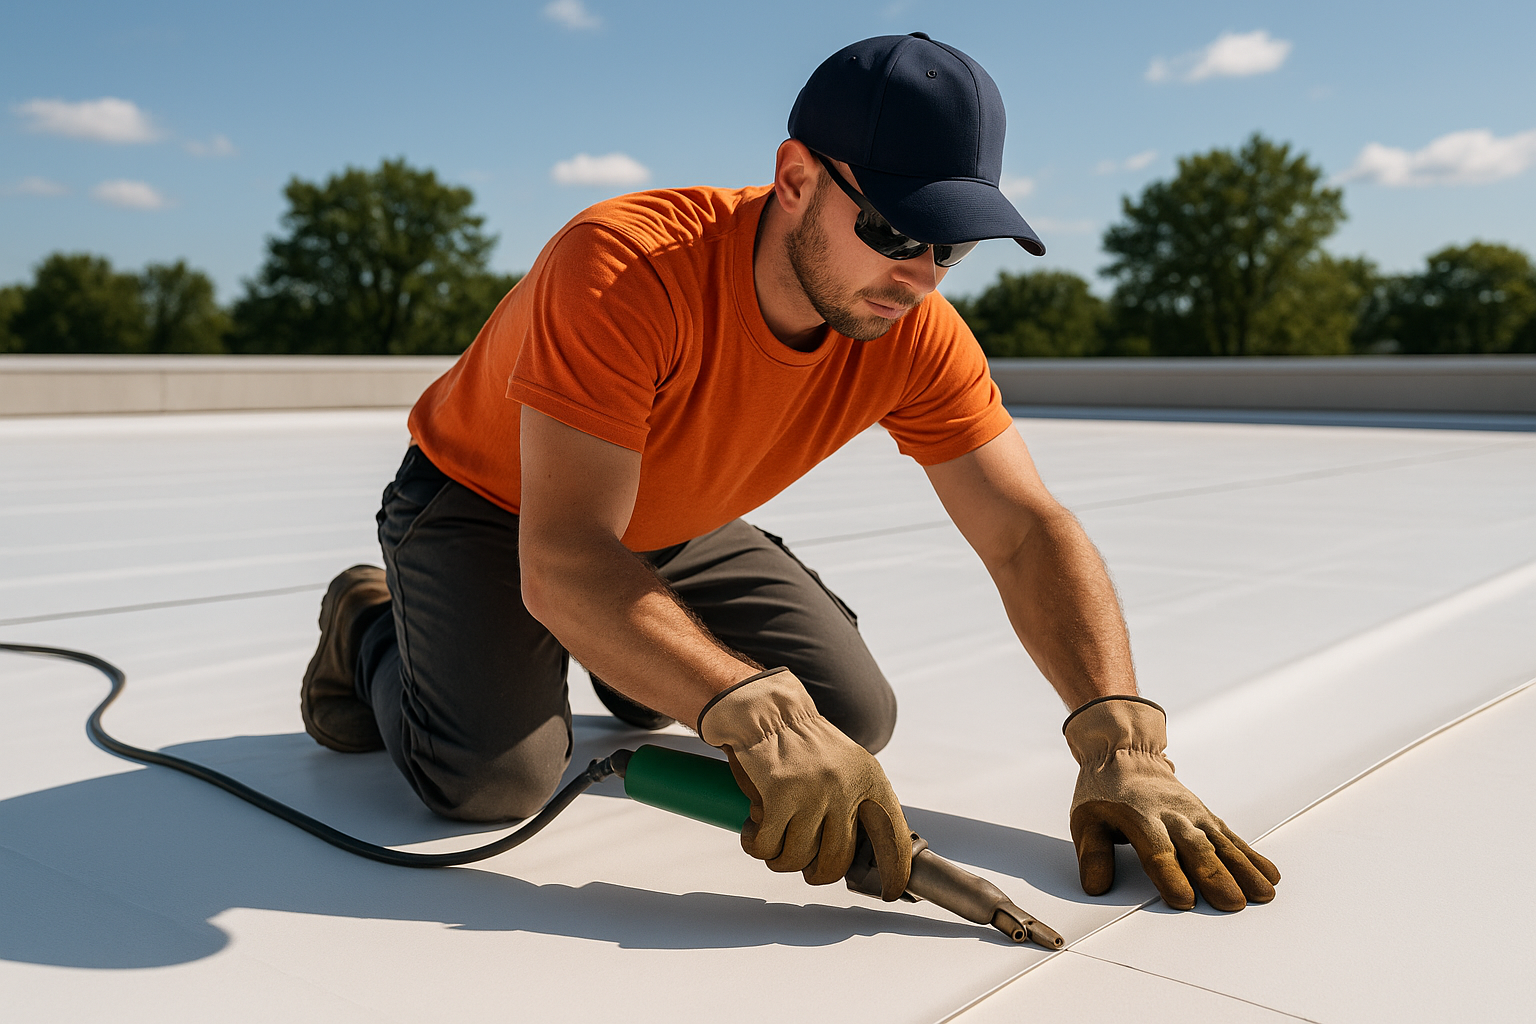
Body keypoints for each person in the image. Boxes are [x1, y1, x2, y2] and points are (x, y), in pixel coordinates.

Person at [300, 33, 1279, 912]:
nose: (921, 277)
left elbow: (1024, 529)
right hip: (488, 506)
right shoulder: (626, 268)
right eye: (896, 231)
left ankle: (632, 661)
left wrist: (1121, 741)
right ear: (798, 176)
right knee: (492, 785)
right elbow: (561, 556)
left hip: (670, 516)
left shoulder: (914, 330)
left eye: (953, 244)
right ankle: (370, 621)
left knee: (852, 720)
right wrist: (747, 704)